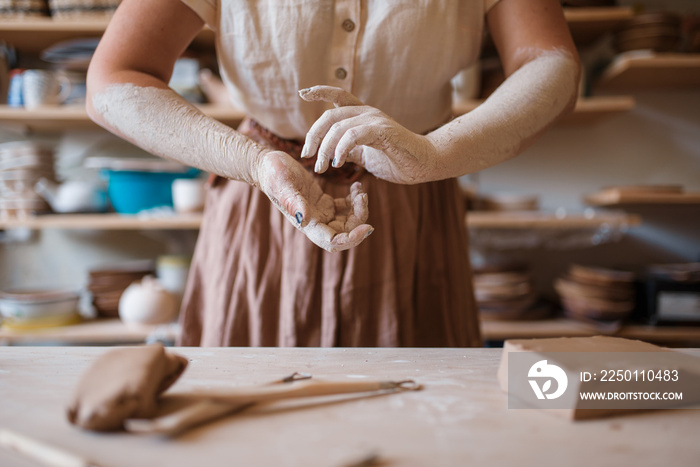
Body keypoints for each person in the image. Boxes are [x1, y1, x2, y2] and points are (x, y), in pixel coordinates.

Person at [87, 0, 580, 347]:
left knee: (410, 419)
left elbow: (550, 64)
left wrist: (433, 154)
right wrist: (254, 162)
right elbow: (115, 76)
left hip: (411, 198)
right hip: (265, 199)